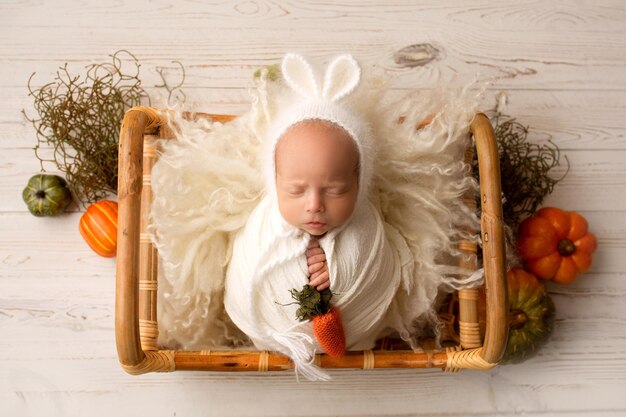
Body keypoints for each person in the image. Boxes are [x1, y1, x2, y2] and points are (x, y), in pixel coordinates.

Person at [224, 53, 409, 380]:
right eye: (296, 190)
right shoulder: (263, 225)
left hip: (360, 333)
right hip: (267, 333)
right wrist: (300, 273)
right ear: (275, 182)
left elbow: (384, 269)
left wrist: (337, 272)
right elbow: (244, 270)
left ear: (360, 183)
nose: (314, 204)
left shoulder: (368, 226)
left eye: (336, 190)